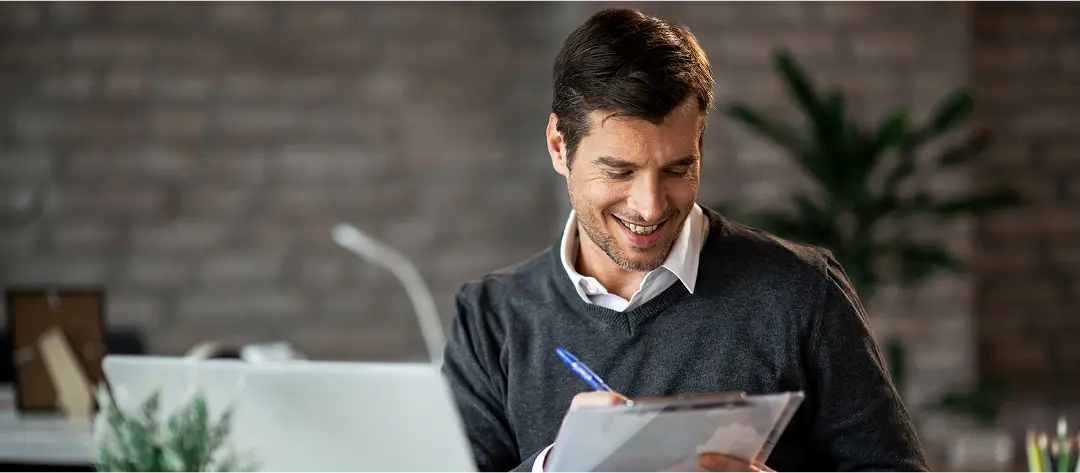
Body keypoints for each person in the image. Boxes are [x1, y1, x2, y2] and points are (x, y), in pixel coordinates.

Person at [441, 7, 930, 473]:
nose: (650, 206)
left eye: (678, 168)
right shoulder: (492, 315)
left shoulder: (802, 291)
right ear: (558, 147)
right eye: (619, 171)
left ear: (700, 144)